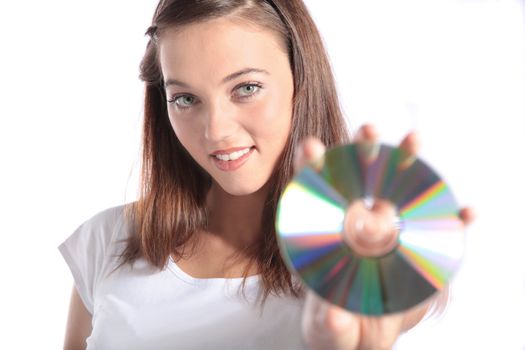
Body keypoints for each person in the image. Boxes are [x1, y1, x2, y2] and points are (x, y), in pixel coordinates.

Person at [59, 0, 474, 349]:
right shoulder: (108, 240)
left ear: (301, 80)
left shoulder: (356, 248)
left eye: (246, 88)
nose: (215, 130)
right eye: (185, 98)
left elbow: (399, 296)